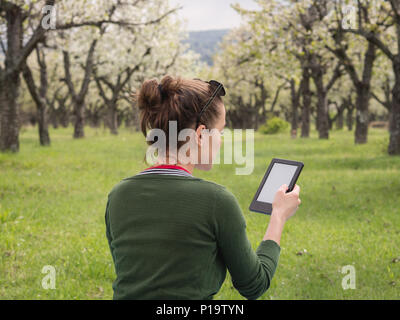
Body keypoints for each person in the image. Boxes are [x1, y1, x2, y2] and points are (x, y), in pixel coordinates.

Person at [105, 75, 301, 300]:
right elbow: (254, 285)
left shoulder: (118, 195)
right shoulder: (216, 200)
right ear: (199, 135)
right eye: (220, 132)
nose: (221, 140)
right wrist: (278, 215)